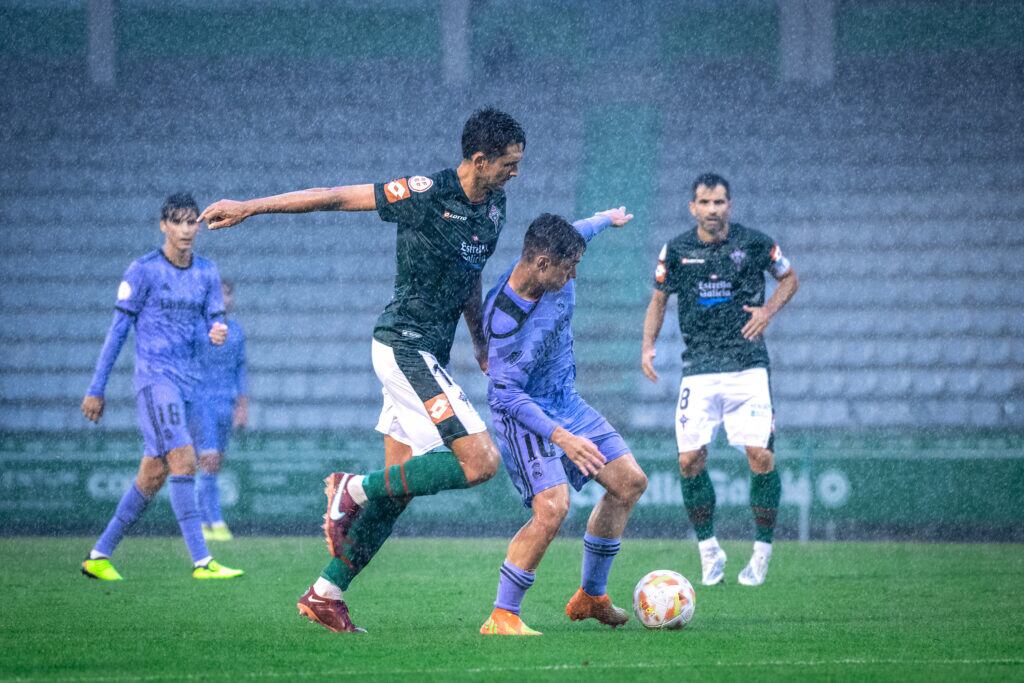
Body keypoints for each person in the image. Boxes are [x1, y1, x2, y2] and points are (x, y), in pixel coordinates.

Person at [198, 107, 525, 632]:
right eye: (508, 164)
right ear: (479, 159)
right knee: (481, 461)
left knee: (398, 493)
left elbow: (471, 273)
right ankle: (351, 487)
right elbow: (334, 196)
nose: (515, 173)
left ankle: (324, 593)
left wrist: (479, 342)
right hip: (403, 345)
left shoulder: (494, 207)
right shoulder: (424, 193)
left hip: (428, 353)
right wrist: (250, 207)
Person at [479, 209, 648, 636]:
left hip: (565, 402)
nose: (573, 277)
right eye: (568, 269)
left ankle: (591, 596)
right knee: (552, 508)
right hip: (525, 414)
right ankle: (502, 614)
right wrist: (562, 438)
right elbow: (507, 395)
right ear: (541, 264)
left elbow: (582, 231)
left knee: (629, 483)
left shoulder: (558, 256)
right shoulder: (504, 321)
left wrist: (605, 218)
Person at [641, 173, 799, 587]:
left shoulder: (755, 243)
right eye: (705, 203)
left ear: (730, 205)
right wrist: (647, 347)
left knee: (760, 456)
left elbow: (790, 278)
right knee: (689, 460)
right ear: (692, 207)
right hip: (700, 368)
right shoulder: (675, 250)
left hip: (748, 366)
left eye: (719, 202)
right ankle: (709, 551)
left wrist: (767, 313)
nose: (713, 210)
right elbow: (659, 300)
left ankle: (761, 552)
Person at [80, 193, 244, 581]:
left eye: (193, 222)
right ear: (164, 226)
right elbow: (118, 332)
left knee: (152, 475)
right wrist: (95, 387)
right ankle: (203, 562)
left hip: (190, 385)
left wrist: (217, 331)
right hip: (156, 380)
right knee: (185, 461)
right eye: (179, 222)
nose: (187, 230)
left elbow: (215, 320)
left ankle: (98, 555)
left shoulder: (207, 272)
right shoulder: (143, 271)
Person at [195, 279, 248, 542]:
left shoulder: (236, 331)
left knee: (214, 465)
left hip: (226, 405)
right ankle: (213, 521)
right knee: (209, 460)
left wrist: (242, 405)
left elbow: (241, 369)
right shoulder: (198, 329)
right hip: (203, 403)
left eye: (229, 294)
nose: (225, 299)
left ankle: (206, 521)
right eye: (220, 294)